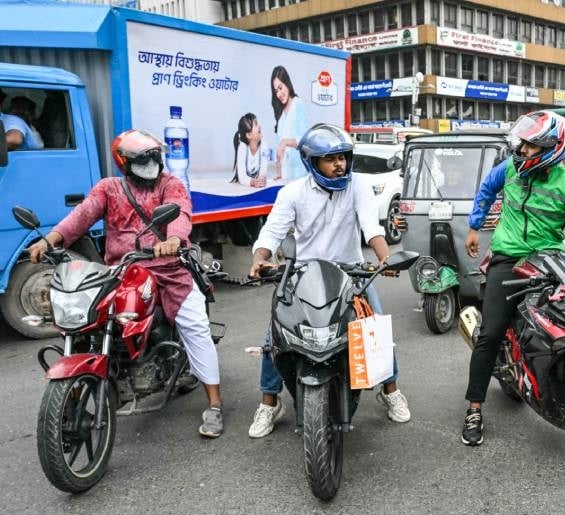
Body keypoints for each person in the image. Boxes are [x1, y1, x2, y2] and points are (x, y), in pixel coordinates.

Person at [27, 129, 225, 437]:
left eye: (154, 156)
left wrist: (173, 238)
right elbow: (82, 216)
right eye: (144, 158)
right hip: (121, 271)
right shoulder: (109, 188)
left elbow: (181, 212)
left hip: (169, 268)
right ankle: (77, 393)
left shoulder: (170, 184)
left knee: (194, 324)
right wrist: (51, 239)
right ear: (125, 162)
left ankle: (214, 404)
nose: (151, 162)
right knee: (86, 321)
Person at [461, 110, 565, 447]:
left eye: (531, 146)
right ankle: (474, 407)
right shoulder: (510, 170)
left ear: (552, 148)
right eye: (523, 144)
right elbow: (486, 190)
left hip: (550, 262)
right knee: (489, 333)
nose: (523, 151)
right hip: (508, 258)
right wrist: (475, 226)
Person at [247, 123, 410, 438]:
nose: (340, 165)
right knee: (274, 337)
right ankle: (269, 402)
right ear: (311, 162)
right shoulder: (292, 193)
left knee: (376, 329)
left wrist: (384, 257)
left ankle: (390, 390)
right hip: (303, 274)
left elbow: (371, 227)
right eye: (330, 159)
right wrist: (259, 258)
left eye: (343, 158)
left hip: (351, 272)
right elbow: (272, 231)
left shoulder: (357, 186)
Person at [270, 66, 307, 181]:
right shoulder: (280, 113)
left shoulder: (297, 104)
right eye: (276, 91)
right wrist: (278, 172)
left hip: (299, 175)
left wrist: (285, 142)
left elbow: (304, 140)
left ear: (287, 84)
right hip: (284, 176)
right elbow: (278, 147)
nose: (279, 94)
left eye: (280, 88)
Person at [231, 112, 268, 187]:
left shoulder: (264, 145)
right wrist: (252, 182)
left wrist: (261, 180)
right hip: (245, 188)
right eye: (256, 124)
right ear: (249, 135)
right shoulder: (242, 148)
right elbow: (242, 177)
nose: (259, 126)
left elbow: (263, 170)